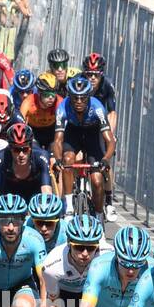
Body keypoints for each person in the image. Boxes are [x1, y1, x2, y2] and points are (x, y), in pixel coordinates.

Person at [53, 74, 115, 221]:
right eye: (75, 98)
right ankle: (68, 207)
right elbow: (57, 141)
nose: (79, 101)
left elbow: (110, 140)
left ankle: (99, 217)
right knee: (67, 160)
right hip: (73, 133)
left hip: (93, 135)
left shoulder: (98, 108)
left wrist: (106, 159)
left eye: (83, 98)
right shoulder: (62, 108)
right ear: (70, 96)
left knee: (97, 180)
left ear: (89, 96)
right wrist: (57, 160)